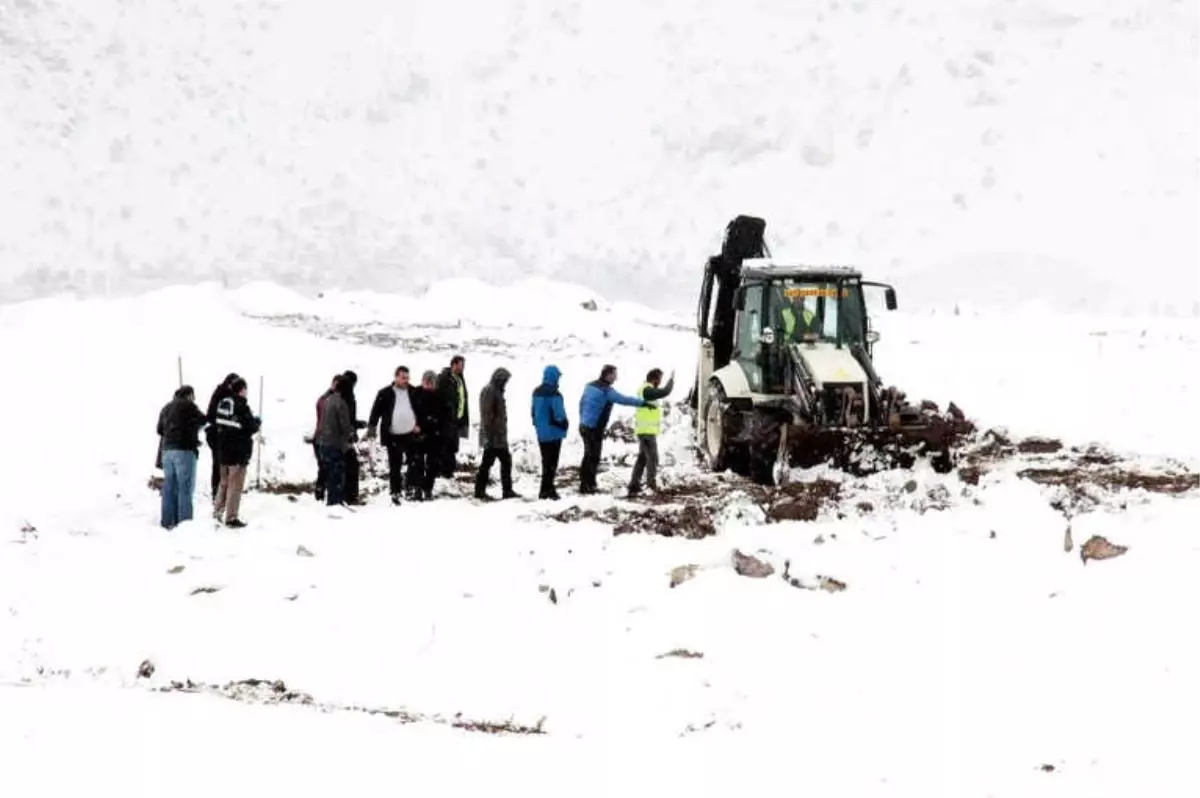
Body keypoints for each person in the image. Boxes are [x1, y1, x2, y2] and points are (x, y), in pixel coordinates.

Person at [577, 365, 650, 495]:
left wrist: (583, 419)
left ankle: (587, 484)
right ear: (608, 375)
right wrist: (643, 403)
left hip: (584, 426)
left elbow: (581, 403)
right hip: (594, 429)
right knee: (593, 456)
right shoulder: (606, 391)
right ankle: (587, 486)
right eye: (615, 374)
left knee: (588, 455)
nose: (616, 377)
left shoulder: (590, 386)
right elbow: (624, 399)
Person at [367, 366, 424, 504]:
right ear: (396, 377)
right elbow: (375, 412)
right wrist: (372, 429)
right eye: (403, 377)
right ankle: (395, 491)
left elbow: (421, 408)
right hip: (393, 435)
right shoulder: (385, 393)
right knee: (395, 465)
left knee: (414, 462)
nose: (406, 380)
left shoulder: (413, 391)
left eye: (407, 378)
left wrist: (420, 424)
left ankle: (411, 488)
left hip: (411, 434)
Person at [157, 385, 208, 529]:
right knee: (184, 488)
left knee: (169, 487)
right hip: (184, 450)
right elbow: (203, 420)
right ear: (190, 395)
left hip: (166, 451)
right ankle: (185, 525)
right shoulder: (189, 406)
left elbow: (159, 429)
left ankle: (167, 522)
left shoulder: (166, 408)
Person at [213, 377, 261, 528]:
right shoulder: (241, 405)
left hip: (223, 451)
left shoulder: (223, 403)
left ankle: (218, 511)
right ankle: (231, 517)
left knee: (223, 483)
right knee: (235, 486)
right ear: (242, 390)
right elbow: (250, 427)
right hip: (238, 453)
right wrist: (257, 423)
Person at [628, 368, 675, 496]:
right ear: (654, 379)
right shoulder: (647, 390)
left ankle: (634, 484)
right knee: (652, 459)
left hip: (644, 431)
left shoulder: (644, 389)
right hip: (647, 432)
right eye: (659, 379)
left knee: (642, 458)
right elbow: (665, 391)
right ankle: (651, 486)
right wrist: (671, 380)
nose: (660, 382)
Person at [474, 367, 519, 500]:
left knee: (499, 462)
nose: (506, 383)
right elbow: (487, 415)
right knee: (490, 463)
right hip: (493, 436)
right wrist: (490, 434)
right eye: (505, 380)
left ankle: (504, 490)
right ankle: (482, 491)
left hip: (497, 436)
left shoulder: (495, 391)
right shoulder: (490, 391)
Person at [531, 365, 569, 500]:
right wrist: (564, 424)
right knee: (552, 463)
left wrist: (536, 424)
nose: (559, 378)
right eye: (558, 376)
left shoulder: (536, 392)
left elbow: (533, 412)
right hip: (554, 432)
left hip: (541, 433)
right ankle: (548, 491)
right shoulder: (554, 393)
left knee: (546, 462)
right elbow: (559, 414)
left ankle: (546, 489)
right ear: (554, 376)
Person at [315, 375, 353, 506]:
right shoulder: (341, 403)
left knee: (329, 473)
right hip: (335, 442)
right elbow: (345, 426)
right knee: (336, 475)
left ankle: (331, 500)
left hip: (324, 441)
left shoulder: (328, 400)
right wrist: (349, 436)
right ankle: (335, 502)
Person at [204, 373, 240, 496]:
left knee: (219, 465)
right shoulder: (226, 397)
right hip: (220, 435)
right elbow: (213, 416)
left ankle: (218, 493)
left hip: (216, 434)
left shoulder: (219, 393)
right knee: (222, 465)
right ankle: (219, 494)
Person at [435, 355, 469, 478]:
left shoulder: (460, 379)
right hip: (446, 419)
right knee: (445, 445)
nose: (463, 368)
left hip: (456, 419)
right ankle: (443, 471)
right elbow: (439, 398)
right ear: (453, 364)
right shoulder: (444, 378)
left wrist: (463, 419)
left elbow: (463, 398)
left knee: (453, 445)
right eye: (461, 365)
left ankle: (449, 470)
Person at [338, 370, 368, 504]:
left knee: (345, 466)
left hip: (340, 437)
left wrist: (356, 425)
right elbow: (346, 419)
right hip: (343, 438)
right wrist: (353, 428)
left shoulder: (336, 395)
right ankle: (350, 496)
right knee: (351, 466)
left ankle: (344, 495)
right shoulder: (347, 397)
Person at [417, 370, 447, 500]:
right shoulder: (416, 394)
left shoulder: (440, 396)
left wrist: (441, 431)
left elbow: (445, 416)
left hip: (435, 436)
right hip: (418, 434)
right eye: (426, 381)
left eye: (431, 382)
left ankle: (427, 488)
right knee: (417, 464)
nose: (428, 384)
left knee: (432, 465)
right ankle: (416, 488)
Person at [311, 375, 340, 502]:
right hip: (322, 438)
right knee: (325, 466)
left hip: (326, 437)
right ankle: (320, 492)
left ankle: (322, 491)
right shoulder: (326, 400)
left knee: (326, 466)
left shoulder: (330, 399)